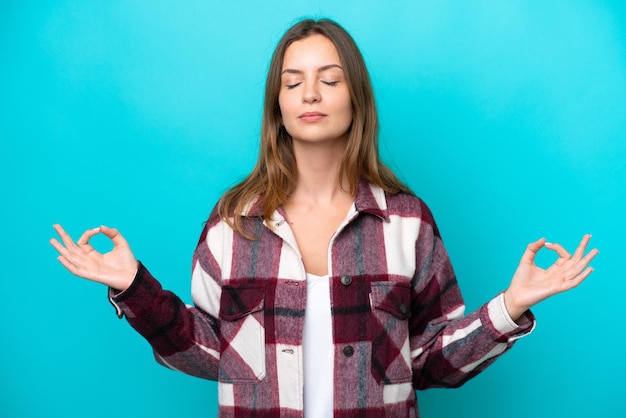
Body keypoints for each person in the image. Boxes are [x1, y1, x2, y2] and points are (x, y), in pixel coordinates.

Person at [49, 18, 598, 418]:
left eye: (329, 80)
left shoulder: (406, 223)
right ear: (278, 106)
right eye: (293, 82)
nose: (310, 93)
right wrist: (133, 287)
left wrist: (512, 306)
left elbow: (428, 363)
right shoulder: (233, 223)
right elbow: (211, 355)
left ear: (355, 98)